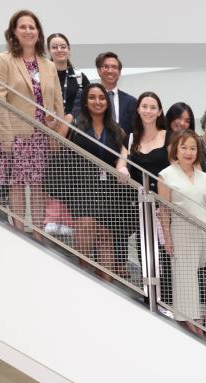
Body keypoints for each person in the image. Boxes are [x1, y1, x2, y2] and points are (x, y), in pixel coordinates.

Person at [157, 130, 206, 330]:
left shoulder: (205, 178)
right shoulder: (165, 174)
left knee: (198, 279)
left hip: (203, 234)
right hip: (181, 232)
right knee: (185, 280)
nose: (188, 152)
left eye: (193, 148)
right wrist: (167, 237)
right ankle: (193, 327)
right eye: (184, 147)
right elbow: (164, 210)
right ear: (176, 149)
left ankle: (198, 324)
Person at [65, 83, 127, 272]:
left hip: (108, 191)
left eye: (101, 98)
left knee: (106, 237)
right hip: (83, 188)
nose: (97, 101)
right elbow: (56, 148)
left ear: (107, 102)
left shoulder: (116, 130)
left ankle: (106, 286)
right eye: (92, 97)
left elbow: (124, 154)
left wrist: (122, 166)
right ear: (85, 101)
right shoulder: (75, 125)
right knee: (86, 226)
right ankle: (84, 276)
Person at [126, 92, 168, 192]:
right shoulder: (130, 138)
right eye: (144, 106)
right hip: (137, 202)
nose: (148, 111)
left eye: (153, 107)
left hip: (164, 201)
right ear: (138, 110)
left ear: (159, 112)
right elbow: (121, 165)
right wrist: (122, 170)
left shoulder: (170, 137)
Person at [93, 51, 134, 137]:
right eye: (106, 67)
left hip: (122, 148)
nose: (110, 70)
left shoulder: (131, 101)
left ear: (119, 72)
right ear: (99, 71)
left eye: (114, 67)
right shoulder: (88, 98)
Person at [47, 33, 86, 117]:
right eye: (54, 47)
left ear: (68, 49)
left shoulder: (80, 77)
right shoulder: (41, 76)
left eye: (63, 47)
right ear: (48, 50)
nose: (59, 50)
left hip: (74, 127)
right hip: (47, 127)